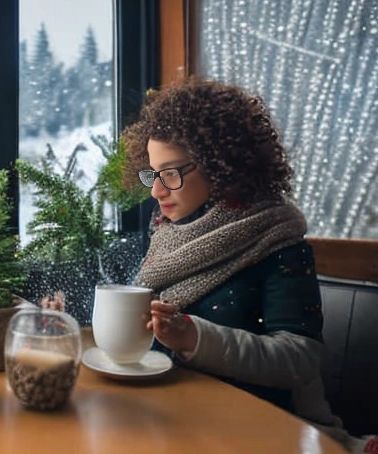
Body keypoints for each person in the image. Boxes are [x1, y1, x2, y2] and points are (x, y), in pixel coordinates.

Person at [120, 77, 377, 454]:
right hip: (180, 419)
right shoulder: (167, 236)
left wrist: (193, 338)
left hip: (266, 429)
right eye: (153, 174)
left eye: (171, 173)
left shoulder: (277, 240)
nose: (157, 191)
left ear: (221, 164)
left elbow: (299, 359)